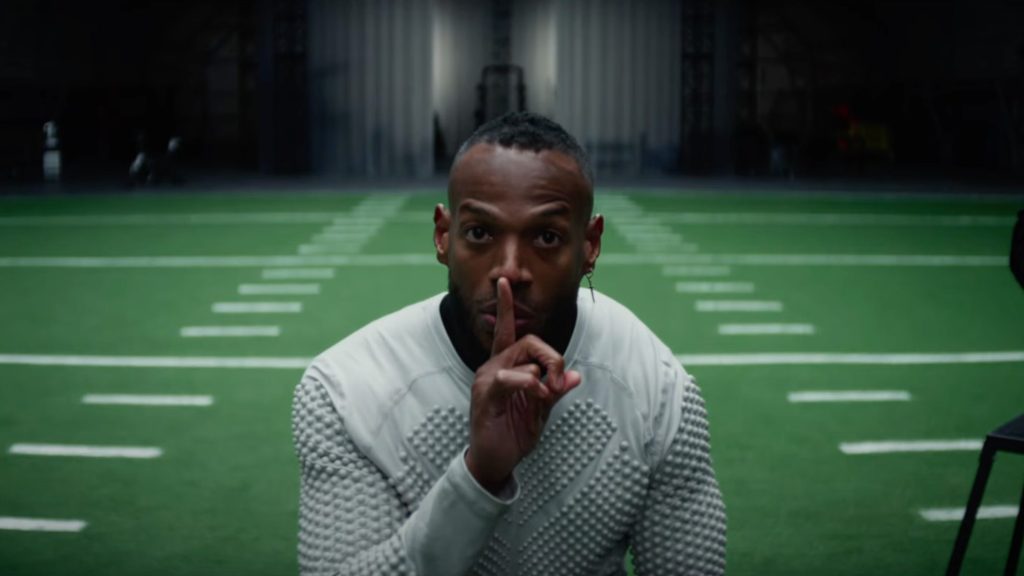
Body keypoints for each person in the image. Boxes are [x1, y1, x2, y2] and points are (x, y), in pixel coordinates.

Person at [292, 112, 727, 575]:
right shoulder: (347, 391)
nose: (510, 270)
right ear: (443, 236)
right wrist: (478, 476)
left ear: (589, 245)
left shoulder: (655, 387)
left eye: (546, 237)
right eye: (480, 233)